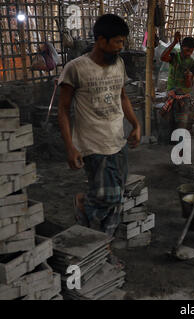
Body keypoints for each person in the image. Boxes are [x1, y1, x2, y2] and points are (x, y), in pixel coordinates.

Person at [58, 14, 141, 237]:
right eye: (117, 42)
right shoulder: (76, 68)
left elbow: (122, 97)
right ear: (101, 40)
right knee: (109, 197)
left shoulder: (119, 64)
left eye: (123, 42)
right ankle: (84, 205)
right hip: (92, 145)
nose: (121, 47)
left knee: (117, 197)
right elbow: (63, 110)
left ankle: (105, 244)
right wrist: (70, 147)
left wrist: (135, 124)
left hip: (117, 139)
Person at [160, 32, 194, 131]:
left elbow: (189, 85)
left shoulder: (193, 64)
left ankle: (180, 143)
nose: (188, 53)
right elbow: (163, 57)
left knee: (181, 124)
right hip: (171, 94)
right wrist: (174, 43)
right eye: (186, 50)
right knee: (169, 122)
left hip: (184, 98)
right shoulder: (174, 57)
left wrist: (188, 78)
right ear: (181, 47)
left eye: (191, 51)